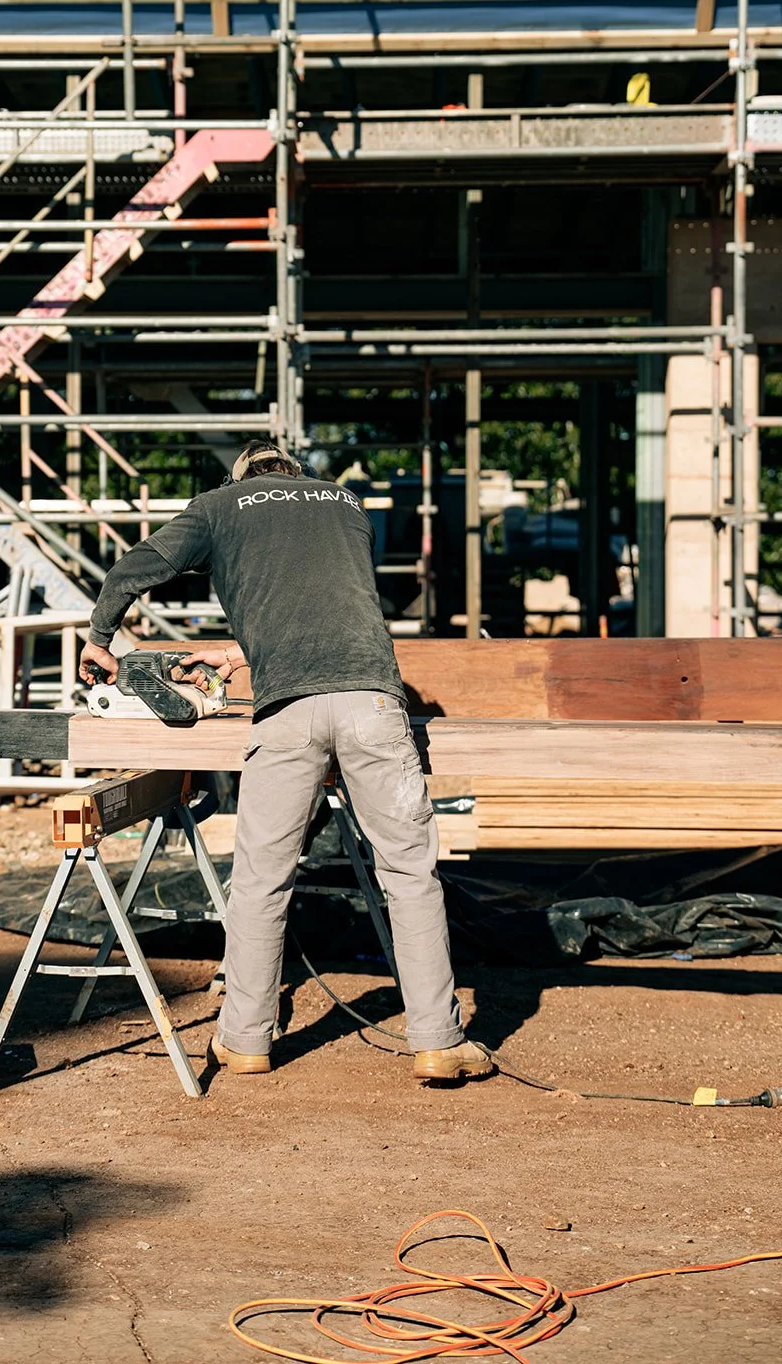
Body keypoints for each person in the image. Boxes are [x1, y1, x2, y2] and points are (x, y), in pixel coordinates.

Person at [78, 440, 491, 1082]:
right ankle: (437, 1041)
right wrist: (242, 655)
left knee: (261, 879)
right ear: (294, 473)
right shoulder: (347, 504)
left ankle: (244, 1040)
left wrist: (100, 638)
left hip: (287, 714)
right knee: (410, 875)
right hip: (371, 703)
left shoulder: (218, 506)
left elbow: (136, 568)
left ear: (240, 477)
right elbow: (320, 601)